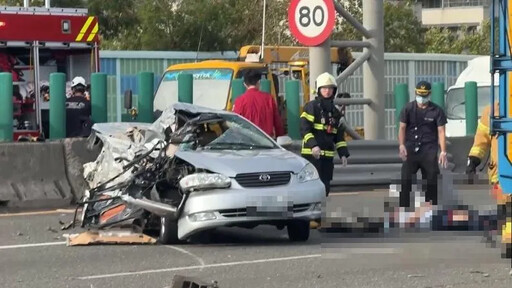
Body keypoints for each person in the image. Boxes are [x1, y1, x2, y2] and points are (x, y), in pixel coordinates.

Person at [396, 80, 448, 225]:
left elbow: (441, 131)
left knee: (431, 178)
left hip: (429, 148)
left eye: (425, 95)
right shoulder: (408, 109)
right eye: (420, 95)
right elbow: (402, 128)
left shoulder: (436, 111)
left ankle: (430, 211)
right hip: (411, 148)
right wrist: (401, 145)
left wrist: (443, 151)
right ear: (415, 93)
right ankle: (404, 209)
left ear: (429, 95)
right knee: (405, 178)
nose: (422, 98)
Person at [466, 103, 512, 256]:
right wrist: (473, 159)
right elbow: (482, 140)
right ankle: (508, 241)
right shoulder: (492, 110)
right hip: (500, 171)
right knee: (506, 209)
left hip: (501, 170)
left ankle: (509, 241)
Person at [300, 72, 350, 197]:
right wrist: (313, 146)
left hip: (327, 158)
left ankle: (321, 213)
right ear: (319, 90)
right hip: (311, 156)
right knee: (311, 188)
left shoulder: (335, 112)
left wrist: (343, 153)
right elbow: (304, 129)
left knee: (325, 188)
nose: (327, 91)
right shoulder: (311, 107)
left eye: (330, 88)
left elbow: (339, 137)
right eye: (324, 88)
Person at [232, 69, 284, 139]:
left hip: (247, 142)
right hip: (266, 142)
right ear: (259, 82)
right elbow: (277, 123)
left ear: (244, 84)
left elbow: (235, 124)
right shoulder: (268, 99)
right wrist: (280, 137)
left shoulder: (239, 101)